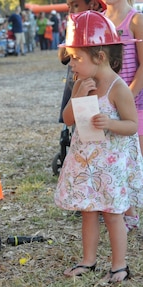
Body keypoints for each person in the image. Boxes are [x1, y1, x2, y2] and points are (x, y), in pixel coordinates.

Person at [55, 11, 143, 283]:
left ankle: (119, 265)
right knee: (88, 212)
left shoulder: (118, 88)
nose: (72, 64)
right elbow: (68, 120)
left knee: (113, 214)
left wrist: (110, 123)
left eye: (77, 57)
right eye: (71, 57)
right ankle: (88, 260)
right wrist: (77, 96)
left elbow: (131, 125)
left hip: (111, 165)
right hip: (87, 162)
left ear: (100, 56)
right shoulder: (82, 82)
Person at [104, 0, 143, 233]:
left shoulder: (136, 20)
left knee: (134, 160)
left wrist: (126, 96)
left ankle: (131, 211)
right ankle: (127, 213)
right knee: (116, 159)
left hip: (135, 103)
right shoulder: (100, 19)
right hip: (109, 103)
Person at [57, 0, 107, 124]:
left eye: (75, 5)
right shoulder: (75, 25)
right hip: (77, 84)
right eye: (69, 7)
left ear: (93, 5)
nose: (70, 11)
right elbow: (63, 57)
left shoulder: (102, 26)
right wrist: (71, 29)